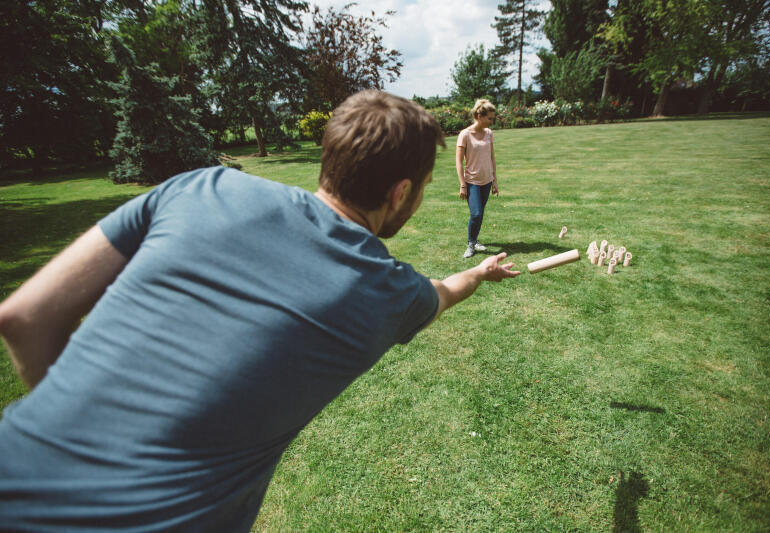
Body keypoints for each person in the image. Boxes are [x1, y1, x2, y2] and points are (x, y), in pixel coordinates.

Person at [0, 90, 520, 532]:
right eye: (423, 189)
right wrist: (479, 273)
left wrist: (70, 444)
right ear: (400, 191)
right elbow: (444, 291)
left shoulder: (202, 186)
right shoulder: (386, 290)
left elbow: (23, 317)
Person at [456, 98, 499, 259]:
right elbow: (458, 162)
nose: (492, 121)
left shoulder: (489, 133)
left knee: (480, 214)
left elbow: (492, 157)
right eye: (489, 118)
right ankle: (471, 244)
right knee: (476, 213)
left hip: (487, 180)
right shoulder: (465, 135)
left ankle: (474, 240)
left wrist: (494, 180)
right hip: (472, 181)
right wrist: (462, 185)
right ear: (479, 116)